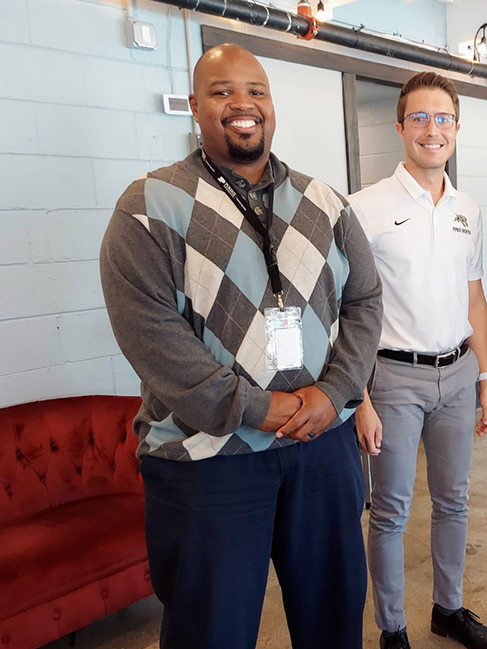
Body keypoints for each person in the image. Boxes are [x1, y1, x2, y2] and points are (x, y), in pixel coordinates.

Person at [99, 43, 383, 649]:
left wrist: (335, 394)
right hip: (207, 460)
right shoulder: (148, 207)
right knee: (211, 630)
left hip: (322, 446)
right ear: (197, 107)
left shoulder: (324, 202)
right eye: (223, 92)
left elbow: (366, 301)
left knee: (334, 619)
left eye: (255, 90)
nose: (242, 104)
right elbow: (151, 335)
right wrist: (262, 409)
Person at [348, 72, 487, 649]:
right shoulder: (364, 209)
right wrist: (358, 399)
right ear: (400, 127)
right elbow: (348, 311)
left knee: (453, 501)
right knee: (389, 511)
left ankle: (449, 609)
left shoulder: (467, 208)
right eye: (419, 117)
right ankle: (392, 629)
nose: (431, 129)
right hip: (391, 378)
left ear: (457, 129)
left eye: (443, 118)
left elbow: (475, 298)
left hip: (459, 373)